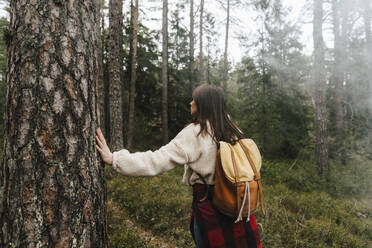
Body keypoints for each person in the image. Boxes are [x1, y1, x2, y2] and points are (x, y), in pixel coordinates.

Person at [95, 83, 262, 248]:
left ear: (203, 105)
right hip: (239, 207)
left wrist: (114, 159)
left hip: (211, 209)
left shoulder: (196, 132)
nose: (190, 103)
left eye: (194, 100)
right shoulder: (233, 130)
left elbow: (156, 160)